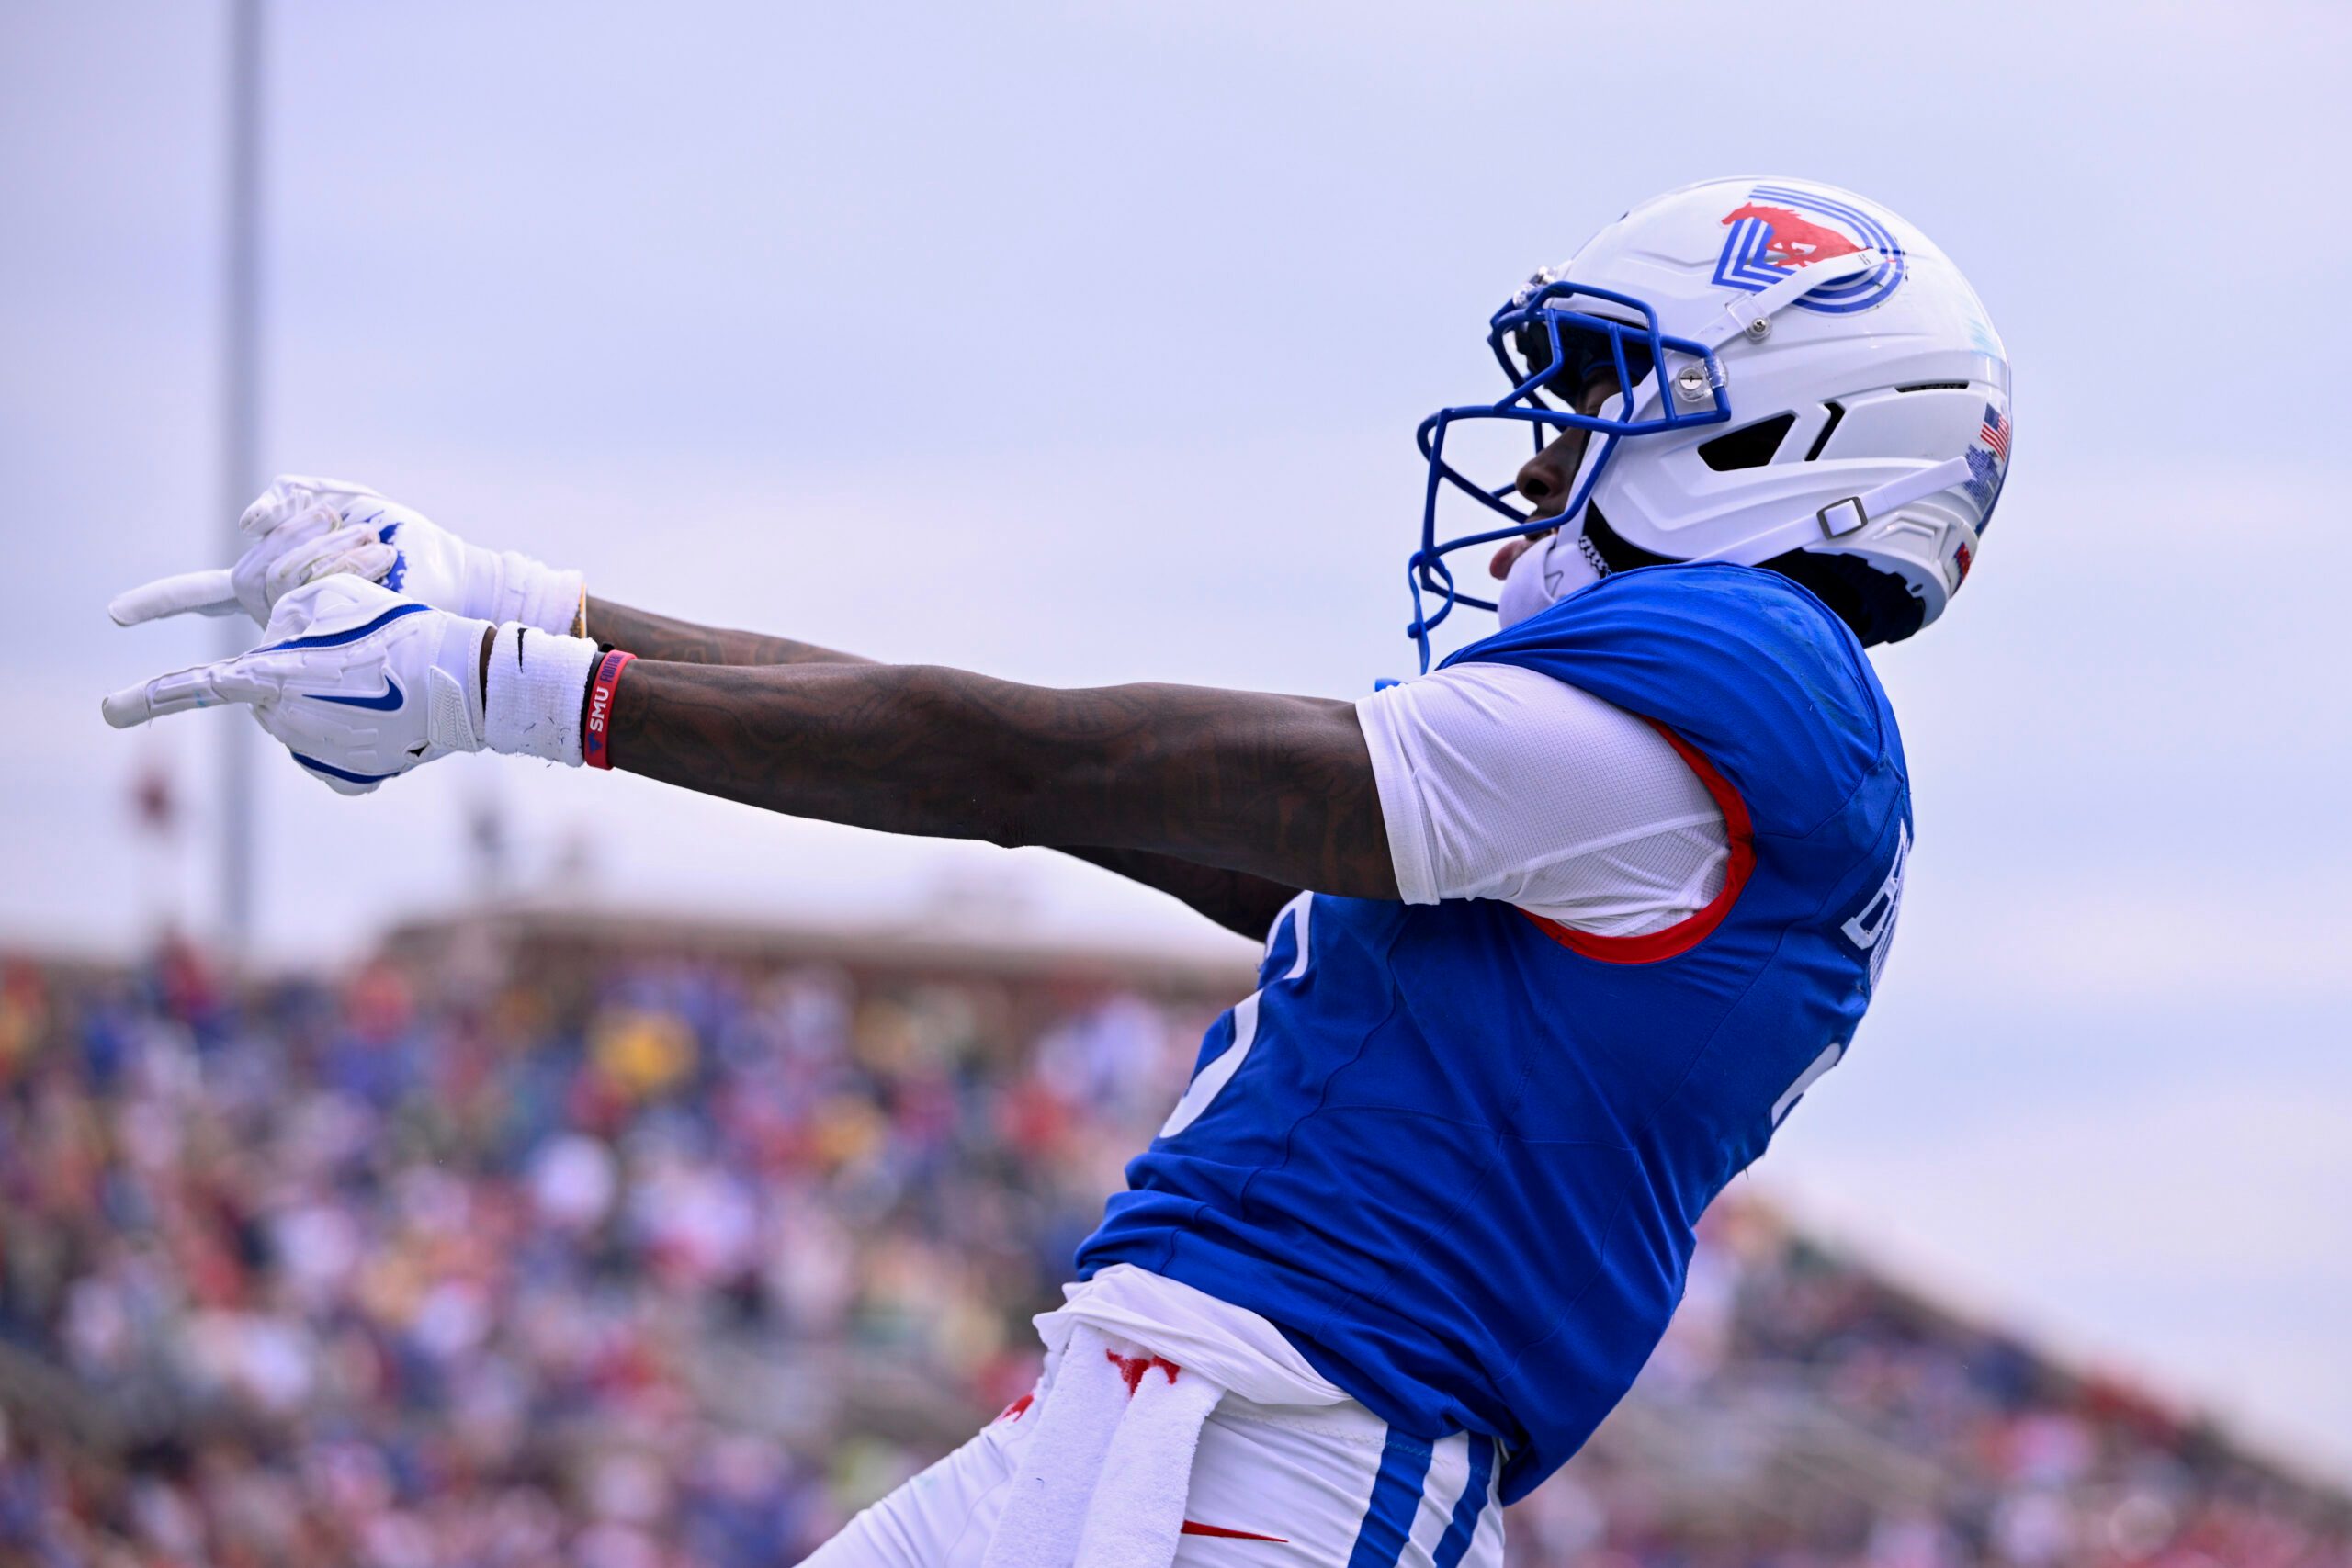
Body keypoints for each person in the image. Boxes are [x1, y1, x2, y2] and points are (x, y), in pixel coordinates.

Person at [103, 175, 2011, 1567]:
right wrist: (546, 607)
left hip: (1293, 1456)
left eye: (1615, 385)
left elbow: (1035, 757)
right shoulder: (1672, 771)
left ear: (1799, 436)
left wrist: (537, 695)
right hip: (1142, 1417)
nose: (1539, 464)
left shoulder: (1748, 690)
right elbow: (1102, 795)